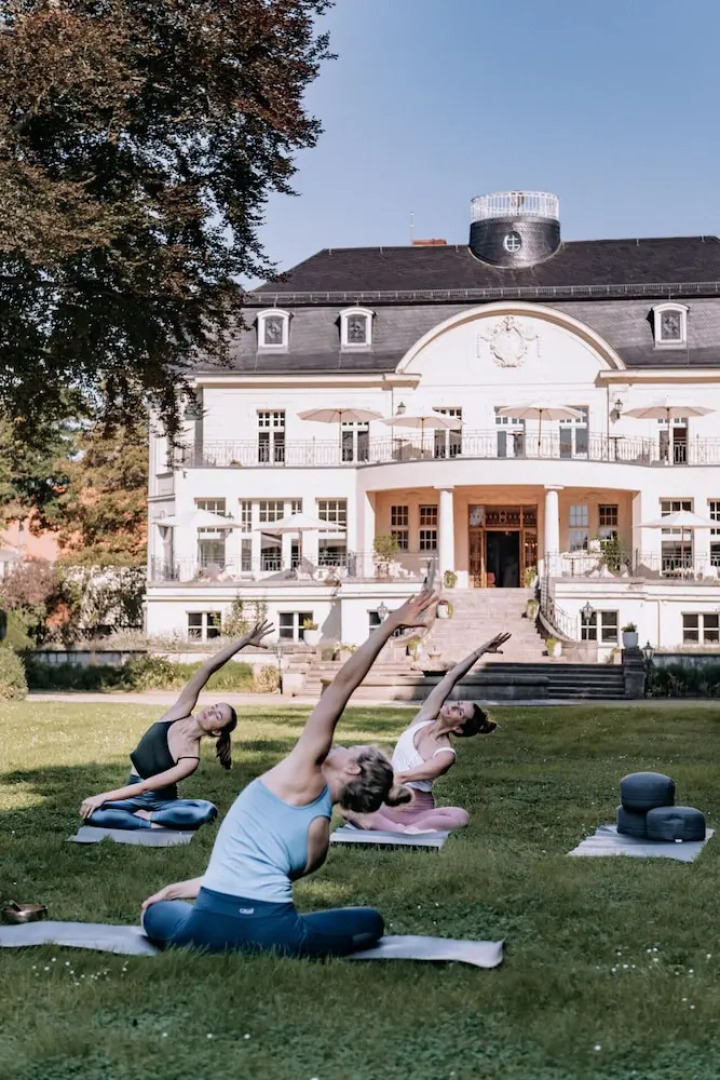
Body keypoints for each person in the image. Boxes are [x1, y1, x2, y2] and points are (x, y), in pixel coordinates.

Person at [140, 589, 438, 958]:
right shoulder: (320, 838)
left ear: (352, 768)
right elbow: (250, 879)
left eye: (350, 748)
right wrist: (176, 889)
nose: (340, 745)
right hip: (277, 934)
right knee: (370, 921)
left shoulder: (303, 769)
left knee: (156, 913)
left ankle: (212, 932)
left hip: (204, 929)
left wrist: (390, 623)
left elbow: (342, 686)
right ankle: (270, 941)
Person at [79, 621, 274, 831]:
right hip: (133, 793)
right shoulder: (181, 710)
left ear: (216, 731)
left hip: (162, 801)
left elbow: (147, 786)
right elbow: (208, 668)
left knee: (206, 810)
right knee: (94, 812)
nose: (211, 710)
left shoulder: (191, 758)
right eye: (215, 706)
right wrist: (244, 641)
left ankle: (147, 818)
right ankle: (152, 822)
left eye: (218, 715)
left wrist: (102, 796)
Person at [342, 632, 511, 834]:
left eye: (459, 711)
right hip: (386, 808)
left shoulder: (446, 754)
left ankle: (406, 828)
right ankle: (399, 830)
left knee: (460, 815)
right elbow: (452, 677)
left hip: (417, 813)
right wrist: (480, 651)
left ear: (458, 727)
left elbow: (403, 777)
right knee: (348, 807)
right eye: (457, 703)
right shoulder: (423, 719)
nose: (452, 707)